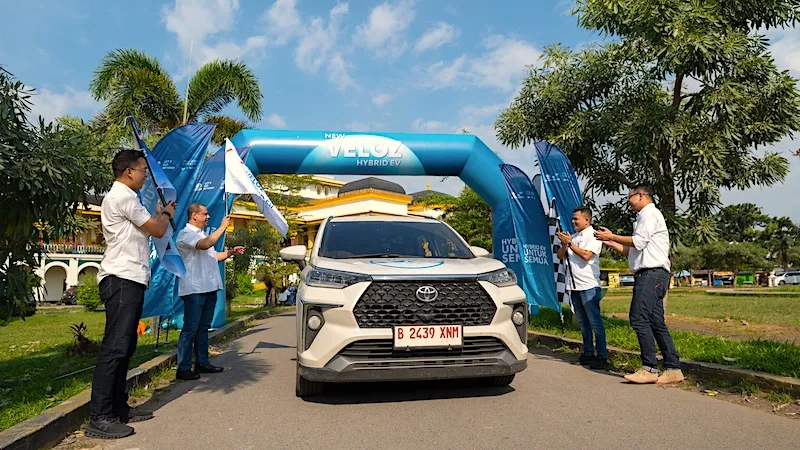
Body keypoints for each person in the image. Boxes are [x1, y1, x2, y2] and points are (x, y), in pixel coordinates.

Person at [88, 150, 176, 439]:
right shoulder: (124, 196)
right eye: (142, 171)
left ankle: (118, 408)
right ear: (128, 172)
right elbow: (157, 229)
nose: (144, 176)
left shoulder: (127, 197)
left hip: (131, 278)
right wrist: (165, 213)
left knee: (124, 347)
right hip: (121, 278)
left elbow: (147, 231)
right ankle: (99, 417)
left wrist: (159, 216)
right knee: (114, 347)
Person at [595, 184, 684, 385]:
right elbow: (633, 250)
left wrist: (612, 236)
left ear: (641, 195)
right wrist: (612, 242)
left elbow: (638, 242)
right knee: (656, 322)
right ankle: (673, 368)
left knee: (638, 318)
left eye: (630, 197)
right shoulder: (646, 217)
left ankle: (649, 368)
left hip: (651, 275)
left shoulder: (648, 214)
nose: (628, 201)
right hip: (655, 274)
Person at [175, 203, 244, 380]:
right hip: (194, 289)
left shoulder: (203, 234)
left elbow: (213, 256)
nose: (208, 217)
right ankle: (183, 367)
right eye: (205, 214)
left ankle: (202, 362)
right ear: (194, 216)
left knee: (203, 328)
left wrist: (230, 253)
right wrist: (222, 227)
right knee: (191, 327)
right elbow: (205, 245)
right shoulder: (186, 235)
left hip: (209, 288)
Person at [556, 206, 607, 370]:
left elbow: (586, 256)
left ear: (587, 220)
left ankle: (602, 356)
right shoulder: (575, 237)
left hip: (588, 285)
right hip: (574, 286)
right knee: (583, 323)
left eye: (576, 219)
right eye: (573, 219)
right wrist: (565, 244)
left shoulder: (594, 236)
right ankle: (588, 353)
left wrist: (570, 243)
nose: (573, 221)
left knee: (595, 322)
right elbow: (560, 255)